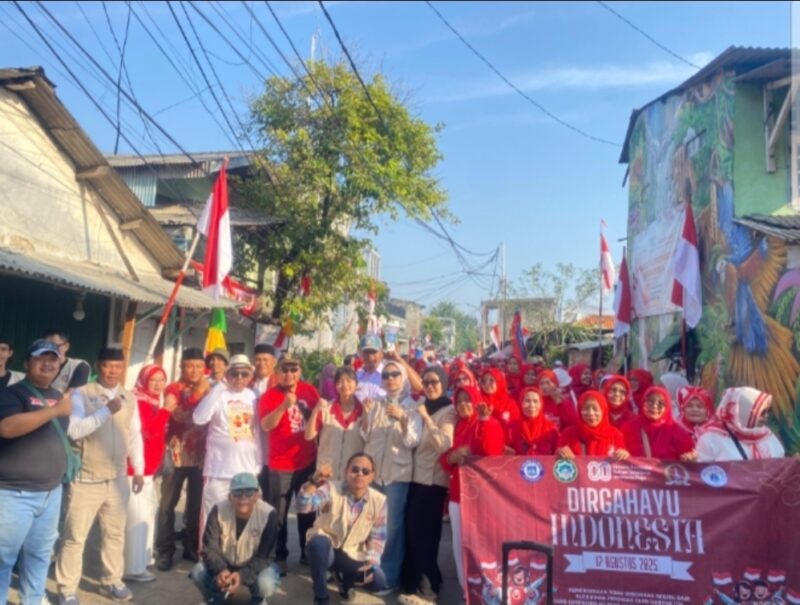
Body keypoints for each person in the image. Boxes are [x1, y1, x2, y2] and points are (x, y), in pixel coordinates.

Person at [56, 347, 145, 605]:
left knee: (115, 534)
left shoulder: (129, 398)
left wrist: (137, 469)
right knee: (75, 537)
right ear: (98, 366)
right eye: (107, 366)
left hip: (116, 479)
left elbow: (134, 435)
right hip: (86, 478)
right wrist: (106, 411)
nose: (112, 371)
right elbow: (74, 430)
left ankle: (111, 581)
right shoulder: (82, 395)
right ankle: (67, 589)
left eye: (117, 367)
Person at [0, 339, 72, 605]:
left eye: (53, 359)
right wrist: (54, 411)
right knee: (3, 559)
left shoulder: (57, 396)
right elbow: (7, 427)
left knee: (40, 557)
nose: (47, 363)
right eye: (41, 358)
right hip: (12, 494)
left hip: (51, 493)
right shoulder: (11, 394)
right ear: (27, 363)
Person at [360, 360, 422, 593]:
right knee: (371, 524)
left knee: (393, 527)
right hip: (374, 473)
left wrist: (403, 418)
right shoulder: (375, 403)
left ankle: (389, 576)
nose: (390, 379)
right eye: (386, 375)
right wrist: (365, 417)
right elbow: (366, 435)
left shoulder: (414, 406)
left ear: (404, 378)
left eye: (396, 374)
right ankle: (369, 570)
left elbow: (412, 441)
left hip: (397, 475)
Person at [439, 386, 505, 598]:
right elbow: (445, 459)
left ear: (477, 401)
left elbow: (490, 452)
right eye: (459, 401)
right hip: (458, 496)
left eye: (469, 400)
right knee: (460, 548)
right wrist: (452, 457)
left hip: (482, 499)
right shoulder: (458, 426)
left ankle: (486, 594)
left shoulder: (490, 423)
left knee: (483, 548)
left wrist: (485, 422)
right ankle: (466, 592)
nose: (464, 405)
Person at [258, 354, 320, 575]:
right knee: (279, 512)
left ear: (300, 371)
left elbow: (319, 420)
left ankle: (306, 551)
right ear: (277, 372)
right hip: (280, 465)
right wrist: (283, 407)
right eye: (284, 370)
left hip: (306, 462)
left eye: (294, 370)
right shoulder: (269, 396)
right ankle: (280, 555)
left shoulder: (310, 391)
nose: (289, 374)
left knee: (307, 510)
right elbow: (265, 425)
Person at [298, 454, 388, 605]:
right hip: (327, 549)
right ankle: (321, 596)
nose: (360, 474)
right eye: (355, 469)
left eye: (365, 471)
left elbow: (378, 537)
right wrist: (313, 481)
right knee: (318, 544)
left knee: (377, 580)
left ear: (372, 477)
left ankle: (345, 583)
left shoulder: (379, 500)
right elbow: (303, 507)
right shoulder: (331, 488)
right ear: (346, 471)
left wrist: (372, 560)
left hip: (353, 553)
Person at [193, 355, 261, 544]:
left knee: (243, 520)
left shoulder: (254, 397)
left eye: (244, 374)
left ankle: (236, 560)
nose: (239, 378)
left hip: (246, 470)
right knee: (212, 516)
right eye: (234, 374)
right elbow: (199, 418)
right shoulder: (219, 394)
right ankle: (206, 558)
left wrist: (257, 466)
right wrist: (219, 388)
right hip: (218, 470)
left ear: (250, 376)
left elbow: (257, 433)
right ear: (228, 374)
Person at [402, 366, 456, 603]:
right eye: (426, 382)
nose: (430, 385)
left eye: (435, 381)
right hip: (415, 477)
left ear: (444, 382)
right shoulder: (420, 405)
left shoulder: (448, 410)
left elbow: (444, 445)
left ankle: (428, 589)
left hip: (433, 481)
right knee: (414, 531)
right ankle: (428, 577)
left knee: (426, 533)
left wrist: (425, 417)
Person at [156, 347, 210, 571]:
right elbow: (179, 415)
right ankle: (165, 551)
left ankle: (190, 547)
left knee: (196, 506)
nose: (194, 370)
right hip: (176, 455)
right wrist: (199, 395)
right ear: (182, 367)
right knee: (168, 505)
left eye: (198, 366)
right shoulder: (173, 389)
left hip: (200, 456)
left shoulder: (211, 389)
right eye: (190, 365)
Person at [190, 473, 279, 605]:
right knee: (198, 572)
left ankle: (258, 600)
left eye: (249, 492)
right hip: (225, 563)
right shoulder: (218, 510)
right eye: (237, 493)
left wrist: (242, 576)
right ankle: (216, 599)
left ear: (257, 495)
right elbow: (209, 548)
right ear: (230, 496)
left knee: (266, 582)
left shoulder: (269, 514)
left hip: (253, 563)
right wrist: (221, 569)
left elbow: (265, 556)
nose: (243, 498)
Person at [124, 364, 172, 583]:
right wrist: (167, 410)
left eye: (162, 380)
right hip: (136, 472)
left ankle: (140, 563)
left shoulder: (151, 402)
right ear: (143, 380)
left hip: (148, 471)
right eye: (153, 379)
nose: (158, 384)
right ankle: (132, 568)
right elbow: (151, 431)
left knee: (145, 517)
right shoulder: (140, 402)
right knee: (137, 520)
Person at [305, 366, 365, 481]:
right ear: (335, 385)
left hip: (353, 475)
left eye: (349, 380)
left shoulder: (363, 411)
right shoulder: (326, 409)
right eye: (340, 381)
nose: (345, 384)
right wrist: (315, 410)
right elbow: (309, 436)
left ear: (356, 384)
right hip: (326, 473)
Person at [696, 387, 785, 461]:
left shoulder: (766, 435)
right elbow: (703, 471)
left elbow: (780, 464)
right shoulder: (711, 438)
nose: (766, 416)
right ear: (743, 412)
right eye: (762, 412)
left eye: (768, 411)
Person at [621, 386, 696, 461]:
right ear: (643, 402)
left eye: (661, 403)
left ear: (667, 407)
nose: (654, 406)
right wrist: (622, 453)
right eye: (650, 401)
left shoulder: (679, 434)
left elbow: (688, 466)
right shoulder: (628, 428)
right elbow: (618, 450)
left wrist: (689, 459)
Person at [556, 390, 630, 459]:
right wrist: (560, 453)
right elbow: (554, 464)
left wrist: (624, 455)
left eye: (595, 409)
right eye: (586, 409)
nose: (591, 413)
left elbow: (622, 467)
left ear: (603, 411)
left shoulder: (615, 435)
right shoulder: (568, 434)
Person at [251, 343, 278, 500]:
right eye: (258, 360)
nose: (261, 363)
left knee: (269, 492)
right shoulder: (247, 382)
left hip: (271, 442)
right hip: (252, 439)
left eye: (265, 360)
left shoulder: (280, 384)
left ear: (273, 361)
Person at [507, 387, 558, 455]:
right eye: (527, 401)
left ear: (541, 404)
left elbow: (557, 452)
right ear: (520, 403)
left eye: (535, 401)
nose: (531, 405)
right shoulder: (512, 427)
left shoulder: (551, 428)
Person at [43, 329, 91, 393]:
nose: (51, 350)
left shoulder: (79, 366)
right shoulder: (41, 367)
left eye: (55, 346)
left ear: (66, 346)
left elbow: (71, 395)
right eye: (47, 346)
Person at [478, 368, 519, 433]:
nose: (487, 384)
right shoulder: (479, 402)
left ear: (499, 381)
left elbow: (515, 428)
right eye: (484, 381)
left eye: (491, 380)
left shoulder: (510, 404)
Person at [355, 335, 386, 401]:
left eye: (373, 352)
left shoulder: (389, 375)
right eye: (366, 353)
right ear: (361, 354)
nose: (370, 356)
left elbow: (395, 398)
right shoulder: (357, 376)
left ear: (381, 354)